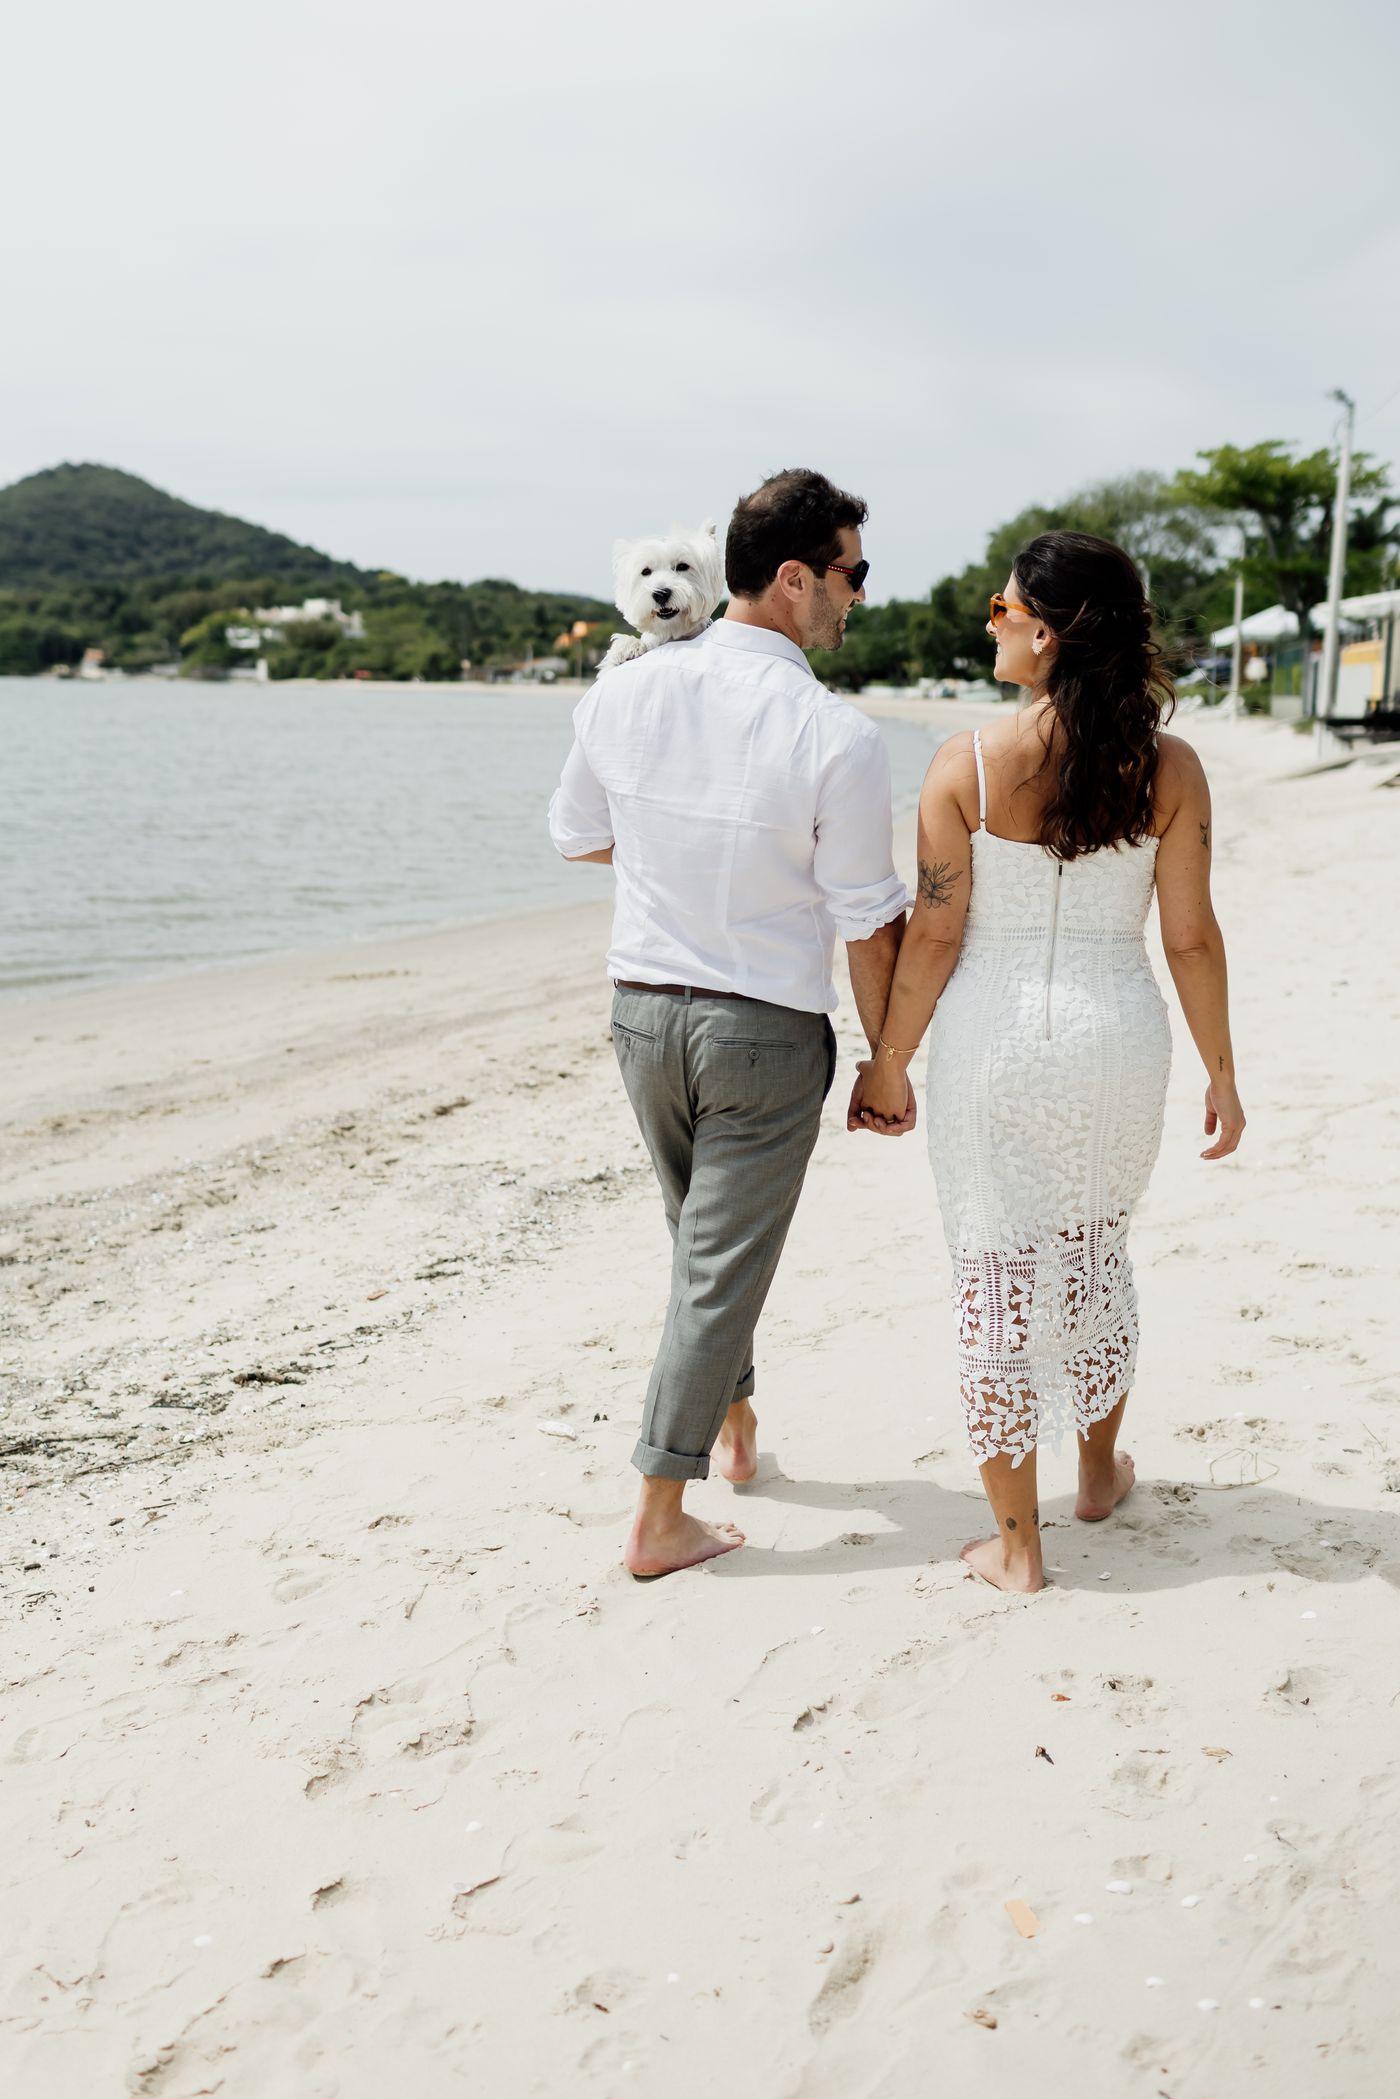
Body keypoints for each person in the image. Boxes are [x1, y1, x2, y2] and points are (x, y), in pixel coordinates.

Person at [857, 531, 1246, 1592]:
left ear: (1047, 633)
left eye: (1002, 608)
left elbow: (935, 935)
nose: (989, 622)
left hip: (992, 1044)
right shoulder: (1168, 767)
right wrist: (1220, 1070)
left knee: (993, 1277)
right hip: (1118, 1039)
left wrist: (888, 1061)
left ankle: (1018, 1548)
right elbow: (1189, 938)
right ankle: (1096, 1473)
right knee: (1091, 1252)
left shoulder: (966, 765)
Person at [548, 468, 913, 1579]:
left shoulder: (623, 692)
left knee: (702, 1246)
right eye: (852, 572)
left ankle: (738, 1427)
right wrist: (887, 1061)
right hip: (760, 1031)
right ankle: (660, 1513)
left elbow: (576, 834)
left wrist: (682, 853)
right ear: (795, 578)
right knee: (715, 1264)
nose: (859, 594)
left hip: (642, 1018)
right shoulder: (834, 732)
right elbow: (866, 920)